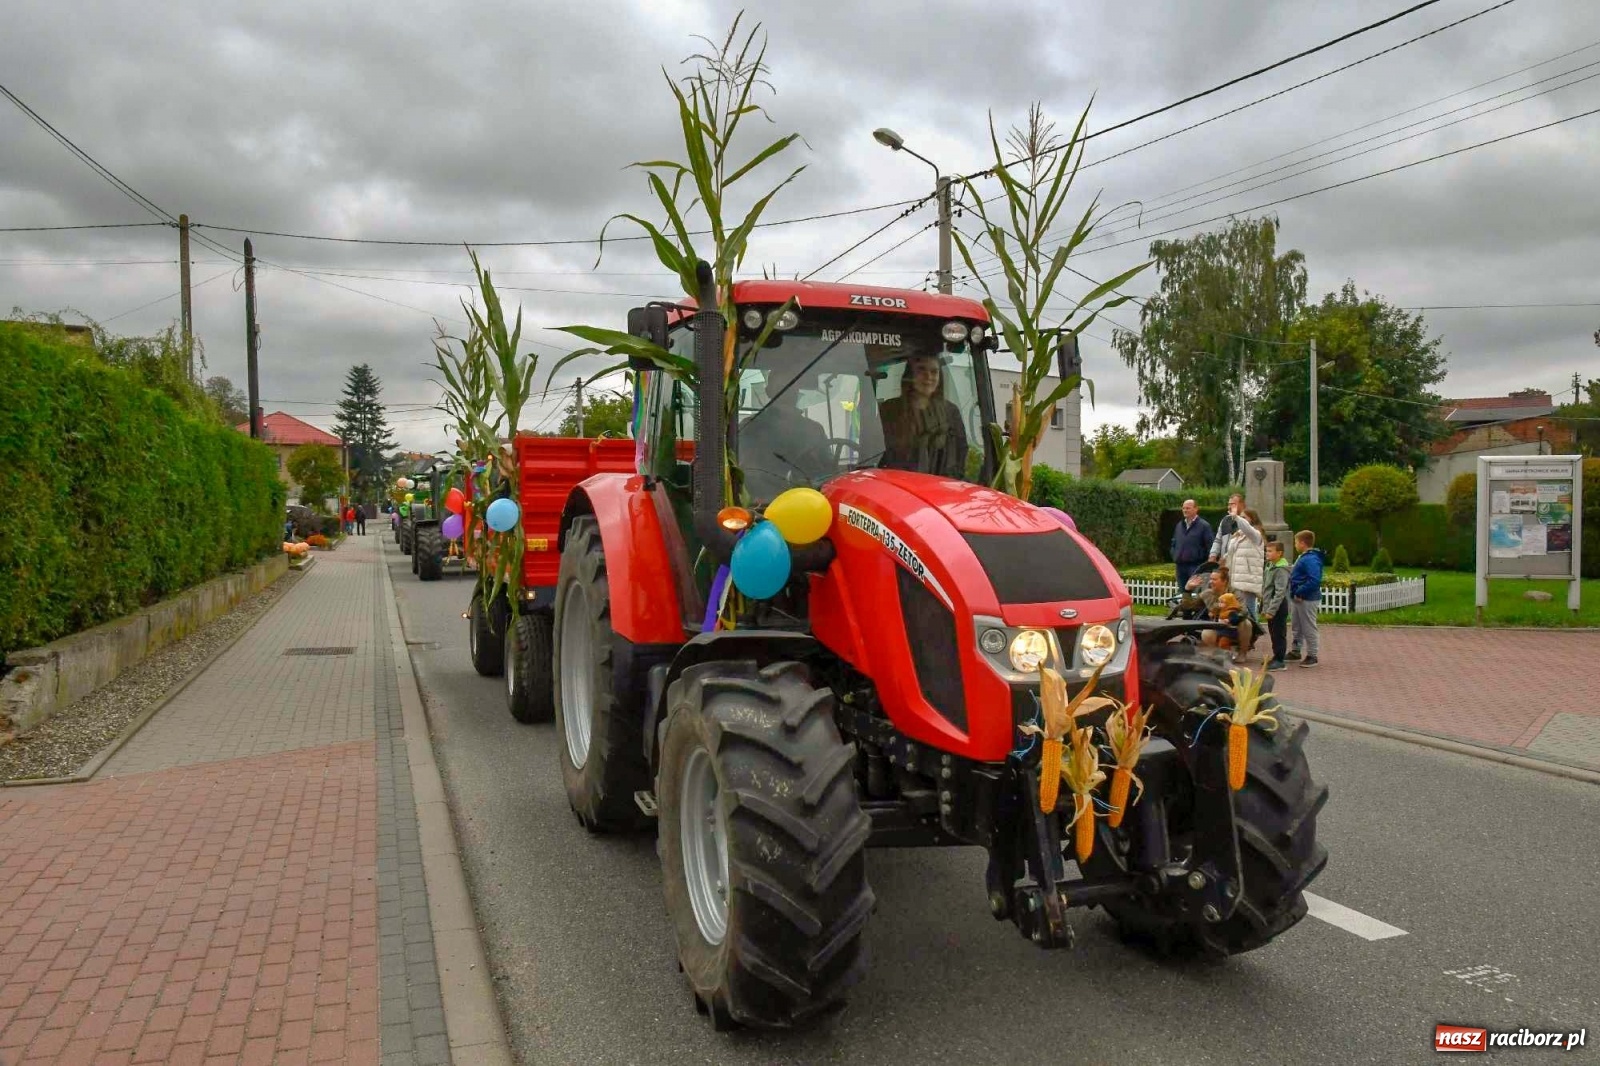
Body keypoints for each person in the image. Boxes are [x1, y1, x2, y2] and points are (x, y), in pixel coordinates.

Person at [740, 363, 837, 502]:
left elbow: (828, 472)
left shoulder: (749, 425)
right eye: (784, 389)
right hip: (761, 503)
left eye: (790, 388)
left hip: (807, 501)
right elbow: (742, 470)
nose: (789, 393)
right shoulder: (751, 427)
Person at [878, 353, 969, 478]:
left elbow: (961, 452)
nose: (928, 377)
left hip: (940, 485)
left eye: (934, 372)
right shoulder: (890, 410)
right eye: (921, 370)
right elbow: (879, 452)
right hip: (896, 484)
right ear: (910, 375)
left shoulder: (950, 412)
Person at [1198, 565, 1255, 660]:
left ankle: (1242, 654)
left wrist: (1230, 619)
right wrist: (1187, 590)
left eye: (1214, 579)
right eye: (1210, 579)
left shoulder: (1235, 592)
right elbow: (1189, 605)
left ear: (1224, 581)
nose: (1210, 581)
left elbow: (1244, 611)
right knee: (1206, 633)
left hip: (1235, 625)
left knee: (1247, 624)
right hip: (1217, 624)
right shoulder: (1207, 593)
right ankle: (1218, 654)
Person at [1288, 529, 1327, 668]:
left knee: (1308, 626)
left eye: (1296, 542)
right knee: (1297, 626)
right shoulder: (1305, 557)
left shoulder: (1310, 559)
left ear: (1302, 543)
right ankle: (1296, 650)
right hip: (1298, 597)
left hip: (1307, 598)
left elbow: (1314, 580)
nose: (1295, 545)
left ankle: (1312, 655)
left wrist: (1300, 591)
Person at [1224, 506, 1266, 625]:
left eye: (1244, 517)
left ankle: (1254, 632)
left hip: (1248, 578)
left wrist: (1237, 517)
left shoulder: (1256, 534)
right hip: (1236, 576)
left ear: (1252, 519)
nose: (1240, 519)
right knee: (1237, 609)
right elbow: (1231, 553)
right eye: (1241, 517)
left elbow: (1247, 528)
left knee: (1249, 610)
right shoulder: (1238, 535)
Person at [1170, 498, 1214, 593]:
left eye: (1188, 508)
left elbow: (1210, 546)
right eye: (1183, 508)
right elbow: (1174, 542)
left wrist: (1205, 566)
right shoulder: (1179, 525)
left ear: (1196, 509)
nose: (1185, 510)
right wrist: (1174, 555)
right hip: (1180, 566)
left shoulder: (1204, 526)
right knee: (1183, 593)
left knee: (1196, 593)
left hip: (1196, 566)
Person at [1260, 539, 1291, 670]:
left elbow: (1279, 592)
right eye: (1266, 551)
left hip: (1278, 606)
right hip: (1271, 606)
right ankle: (1276, 656)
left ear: (1279, 553)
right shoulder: (1270, 566)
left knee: (1279, 633)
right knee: (1273, 632)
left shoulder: (1280, 570)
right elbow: (1267, 588)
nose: (1267, 553)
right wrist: (1264, 607)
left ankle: (1280, 660)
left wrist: (1271, 610)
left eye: (1270, 551)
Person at [1208, 492, 1246, 563]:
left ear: (1242, 505)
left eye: (1233, 504)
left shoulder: (1246, 520)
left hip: (1240, 562)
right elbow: (1218, 540)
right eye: (1229, 504)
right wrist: (1213, 555)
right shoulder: (1225, 520)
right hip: (1225, 562)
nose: (1229, 507)